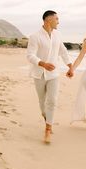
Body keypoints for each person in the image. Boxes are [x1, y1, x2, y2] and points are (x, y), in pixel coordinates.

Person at [27, 10, 73, 144]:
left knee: (52, 100)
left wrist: (70, 66)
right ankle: (47, 118)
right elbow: (30, 55)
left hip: (54, 74)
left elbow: (63, 51)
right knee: (42, 102)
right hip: (39, 73)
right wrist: (43, 64)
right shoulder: (35, 36)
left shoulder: (58, 34)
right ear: (48, 20)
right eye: (56, 19)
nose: (58, 21)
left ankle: (48, 128)